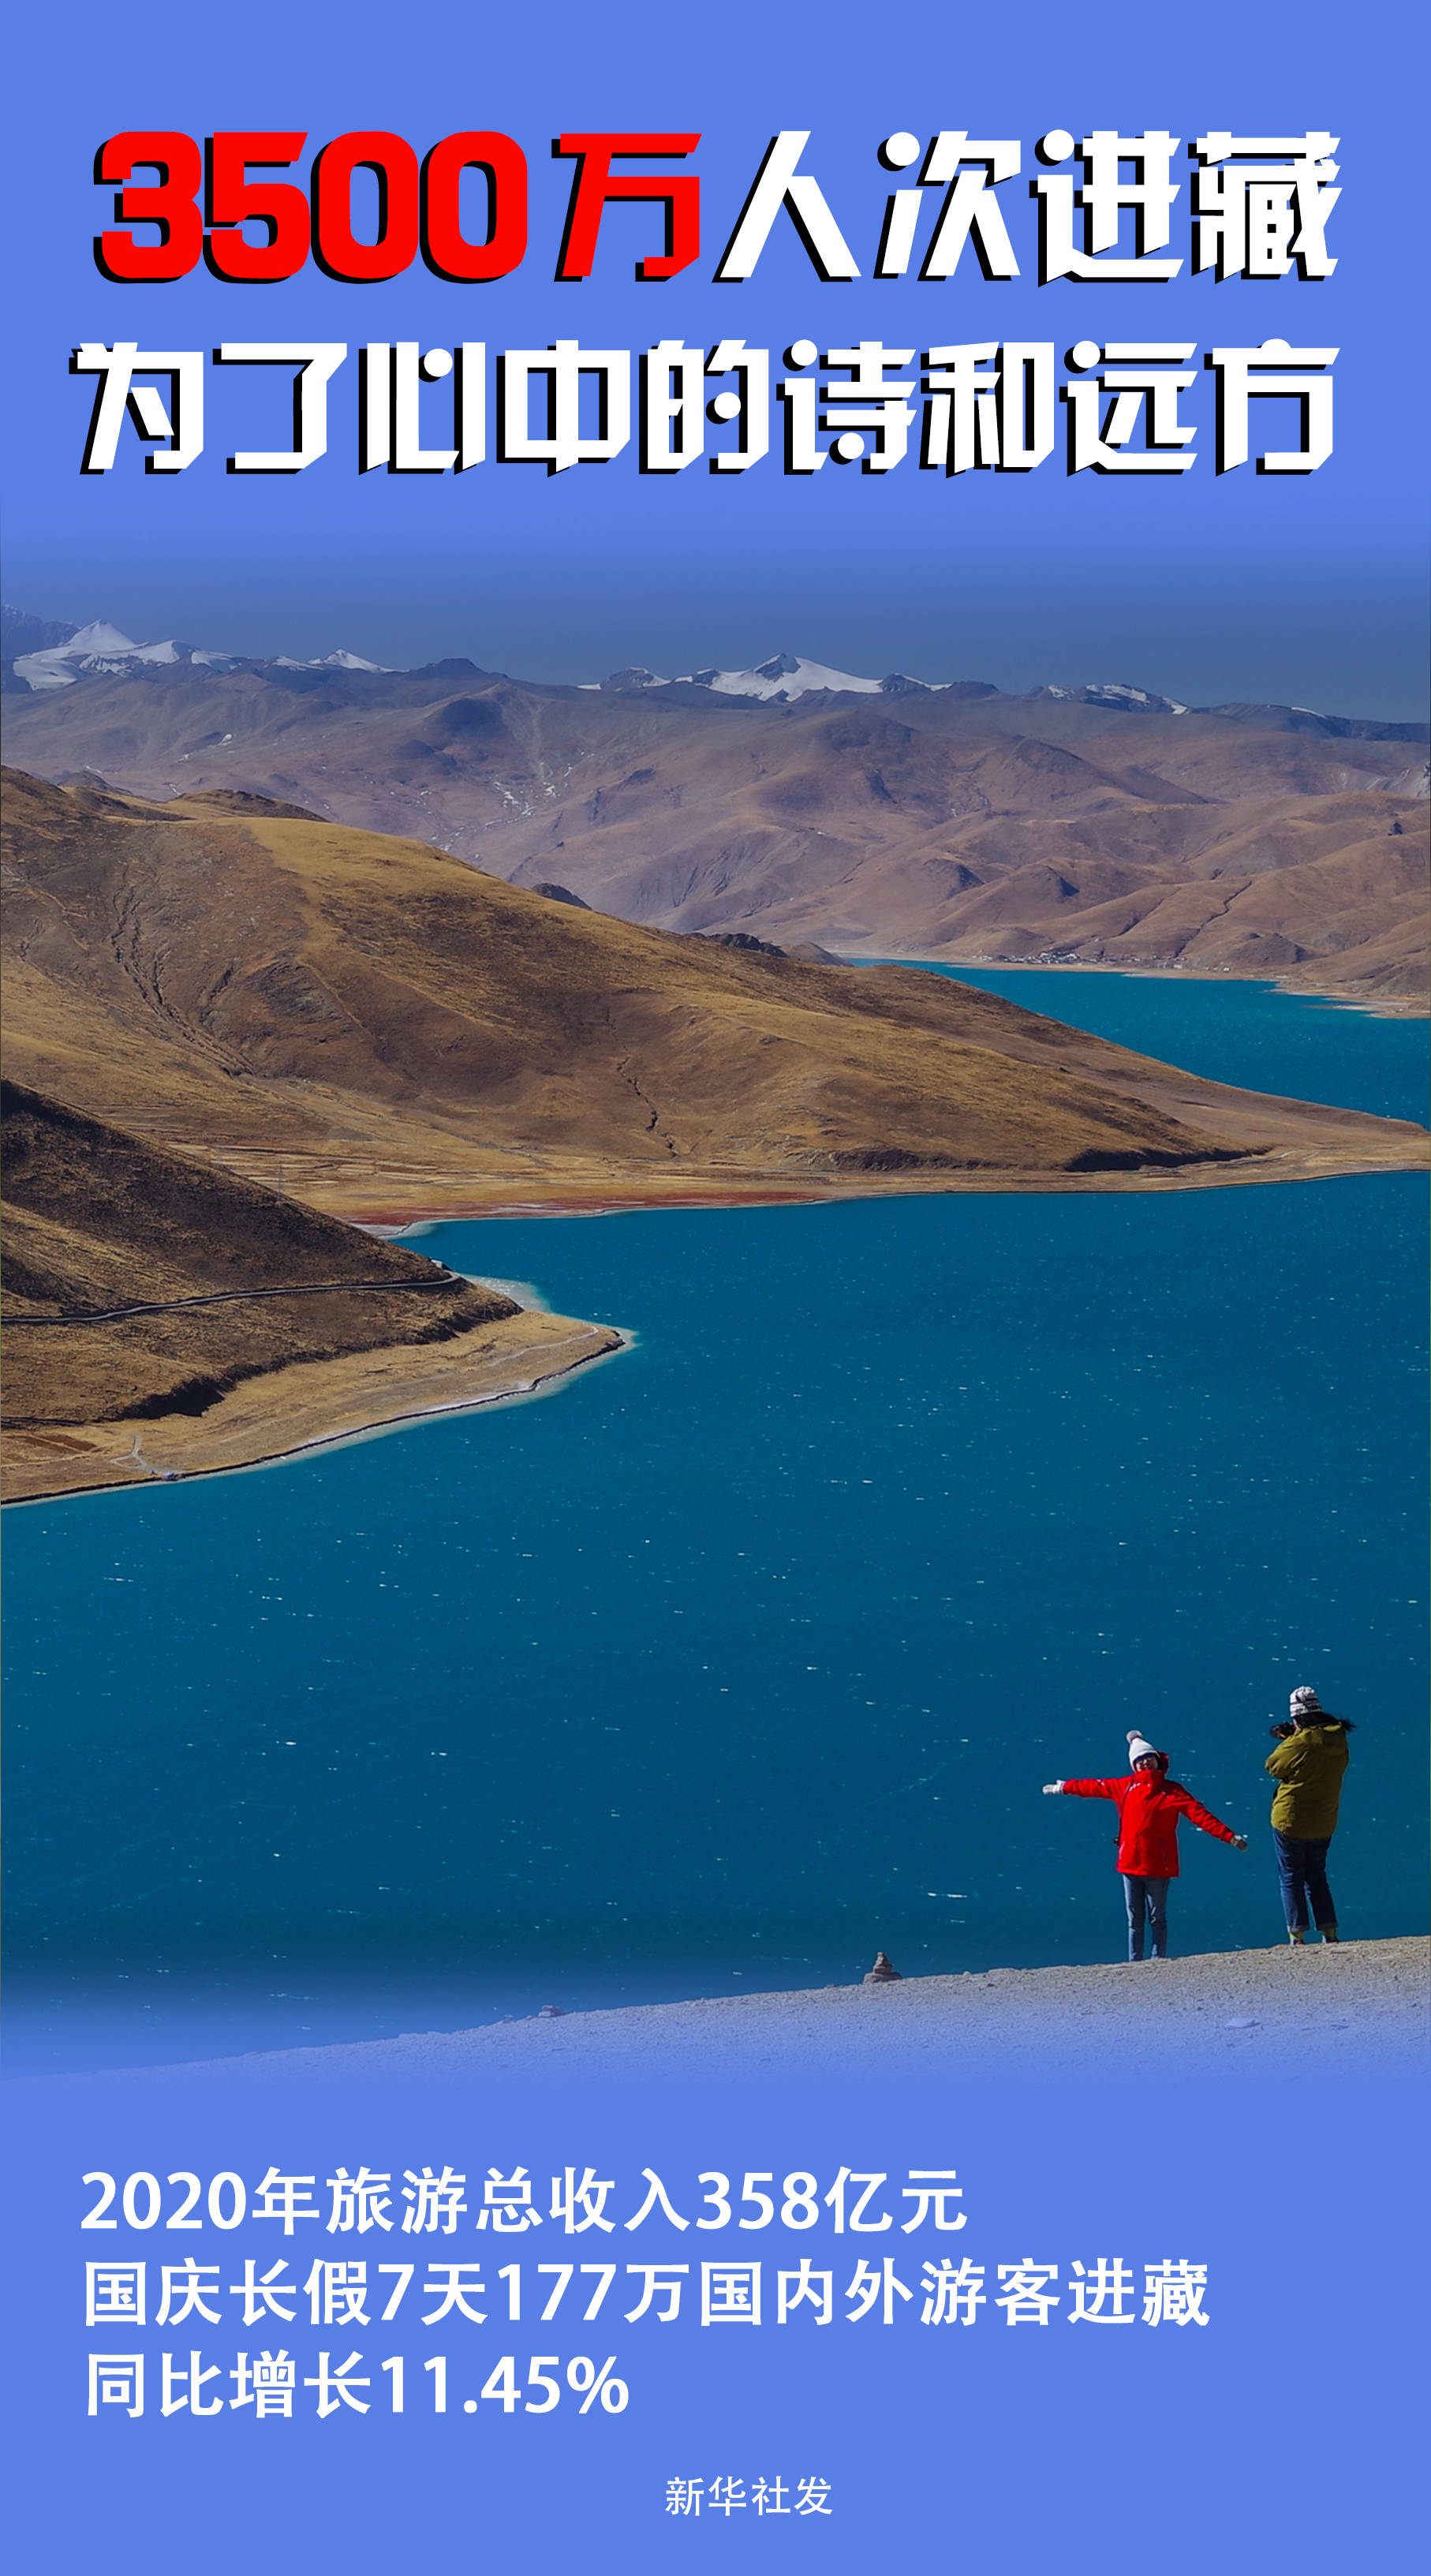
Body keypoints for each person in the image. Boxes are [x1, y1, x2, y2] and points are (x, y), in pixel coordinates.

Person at [1043, 1732, 1249, 1962]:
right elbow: (1093, 1787)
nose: (1144, 1763)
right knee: (1134, 1919)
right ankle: (1135, 1961)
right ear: (1133, 1765)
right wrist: (1064, 1787)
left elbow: (1200, 1816)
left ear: (1157, 1760)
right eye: (1139, 1760)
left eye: (1148, 1758)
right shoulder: (1124, 1787)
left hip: (1158, 1866)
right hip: (1129, 1864)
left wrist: (1229, 1837)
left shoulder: (1173, 1791)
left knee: (1157, 1917)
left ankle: (1158, 1959)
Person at [1265, 1685, 1352, 1946]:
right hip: (1325, 1819)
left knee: (1291, 1877)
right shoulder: (1338, 1738)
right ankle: (1330, 1932)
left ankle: (1297, 1933)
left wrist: (1289, 1738)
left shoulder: (1300, 1742)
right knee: (1317, 1876)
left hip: (1291, 1819)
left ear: (1298, 1718)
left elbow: (1273, 1766)